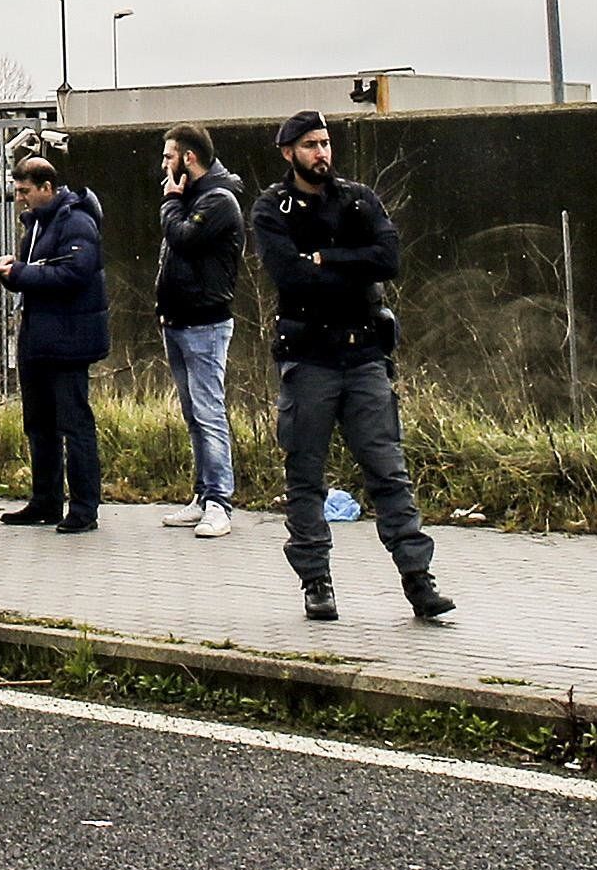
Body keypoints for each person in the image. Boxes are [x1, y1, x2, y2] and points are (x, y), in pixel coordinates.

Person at [251, 110, 455, 622]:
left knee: (389, 472)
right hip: (310, 357)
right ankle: (316, 581)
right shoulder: (272, 209)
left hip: (364, 354)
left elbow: (388, 258)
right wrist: (342, 265)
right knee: (305, 474)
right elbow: (291, 277)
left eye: (326, 143)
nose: (322, 153)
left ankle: (418, 580)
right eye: (311, 145)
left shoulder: (359, 198)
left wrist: (328, 259)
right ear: (288, 152)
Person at [0, 157, 106, 532]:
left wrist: (22, 272)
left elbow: (75, 272)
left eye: (26, 191)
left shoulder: (76, 221)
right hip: (39, 337)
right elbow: (39, 273)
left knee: (74, 423)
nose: (21, 199)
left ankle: (85, 507)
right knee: (39, 422)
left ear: (47, 187)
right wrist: (13, 274)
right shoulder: (39, 224)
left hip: (68, 340)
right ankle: (45, 500)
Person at [154, 124, 245, 539]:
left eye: (169, 156)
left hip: (205, 324)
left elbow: (184, 238)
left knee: (209, 414)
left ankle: (220, 503)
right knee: (193, 415)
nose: (164, 165)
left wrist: (170, 203)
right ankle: (202, 494)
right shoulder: (191, 198)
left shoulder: (218, 200)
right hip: (176, 320)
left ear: (189, 159)